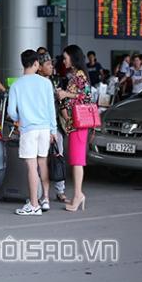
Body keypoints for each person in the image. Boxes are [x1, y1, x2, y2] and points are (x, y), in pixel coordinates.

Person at [7, 49, 57, 216]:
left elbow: (11, 111)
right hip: (44, 129)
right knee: (43, 163)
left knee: (31, 166)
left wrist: (18, 119)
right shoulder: (46, 83)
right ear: (36, 64)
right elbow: (51, 109)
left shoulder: (16, 85)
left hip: (28, 129)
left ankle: (33, 205)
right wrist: (53, 130)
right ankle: (45, 199)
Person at [56, 45, 92, 212]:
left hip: (78, 123)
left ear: (73, 57)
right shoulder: (76, 75)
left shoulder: (79, 75)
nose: (64, 61)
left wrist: (65, 94)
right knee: (76, 160)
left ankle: (78, 195)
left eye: (65, 57)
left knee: (77, 161)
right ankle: (78, 194)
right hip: (75, 123)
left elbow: (86, 97)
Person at [37, 51, 68, 203]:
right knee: (41, 160)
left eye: (51, 63)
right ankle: (41, 192)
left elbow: (59, 103)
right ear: (40, 67)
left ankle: (60, 190)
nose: (51, 66)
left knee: (58, 157)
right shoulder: (36, 82)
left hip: (54, 125)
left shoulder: (55, 81)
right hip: (42, 125)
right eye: (48, 64)